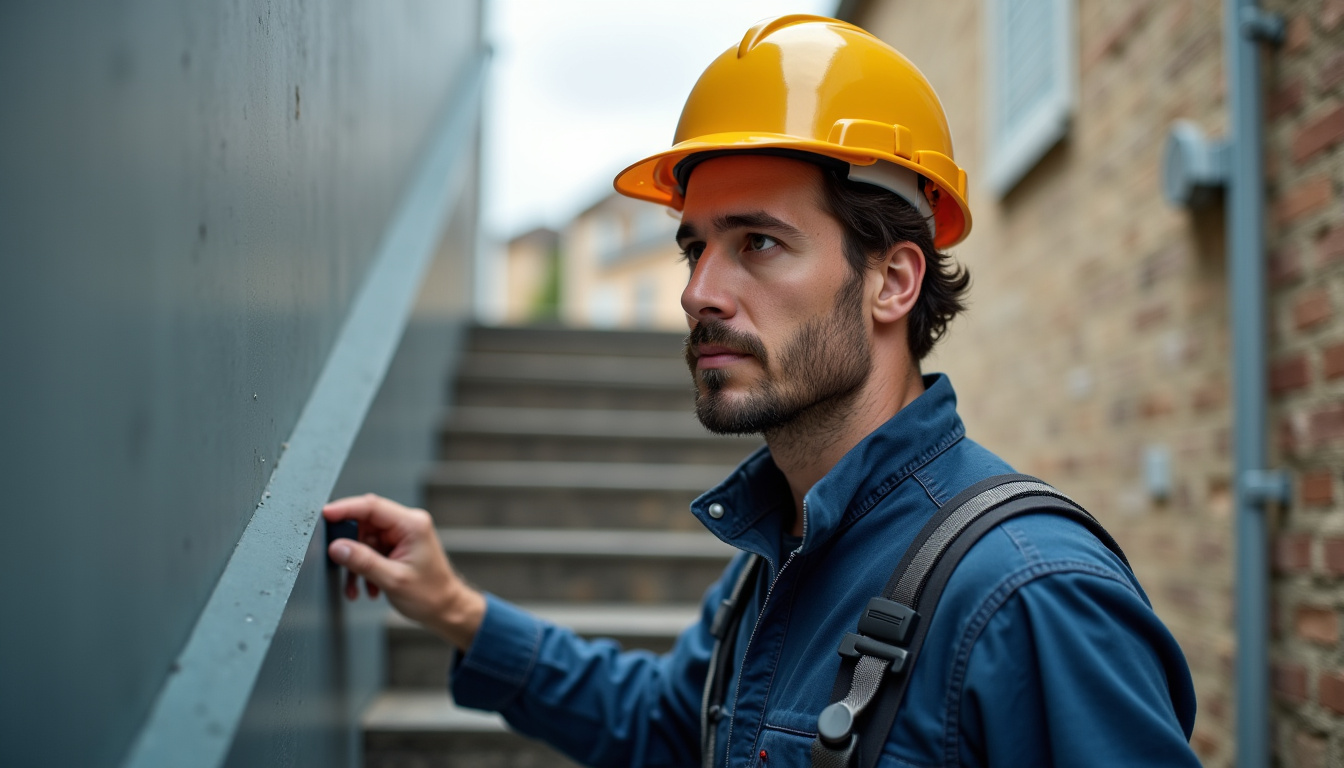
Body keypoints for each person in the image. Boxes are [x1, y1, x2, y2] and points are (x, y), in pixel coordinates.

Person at [324, 15, 1200, 767]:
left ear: (893, 282)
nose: (698, 292)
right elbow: (667, 725)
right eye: (694, 247)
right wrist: (457, 610)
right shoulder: (778, 554)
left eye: (759, 243)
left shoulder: (1028, 596)